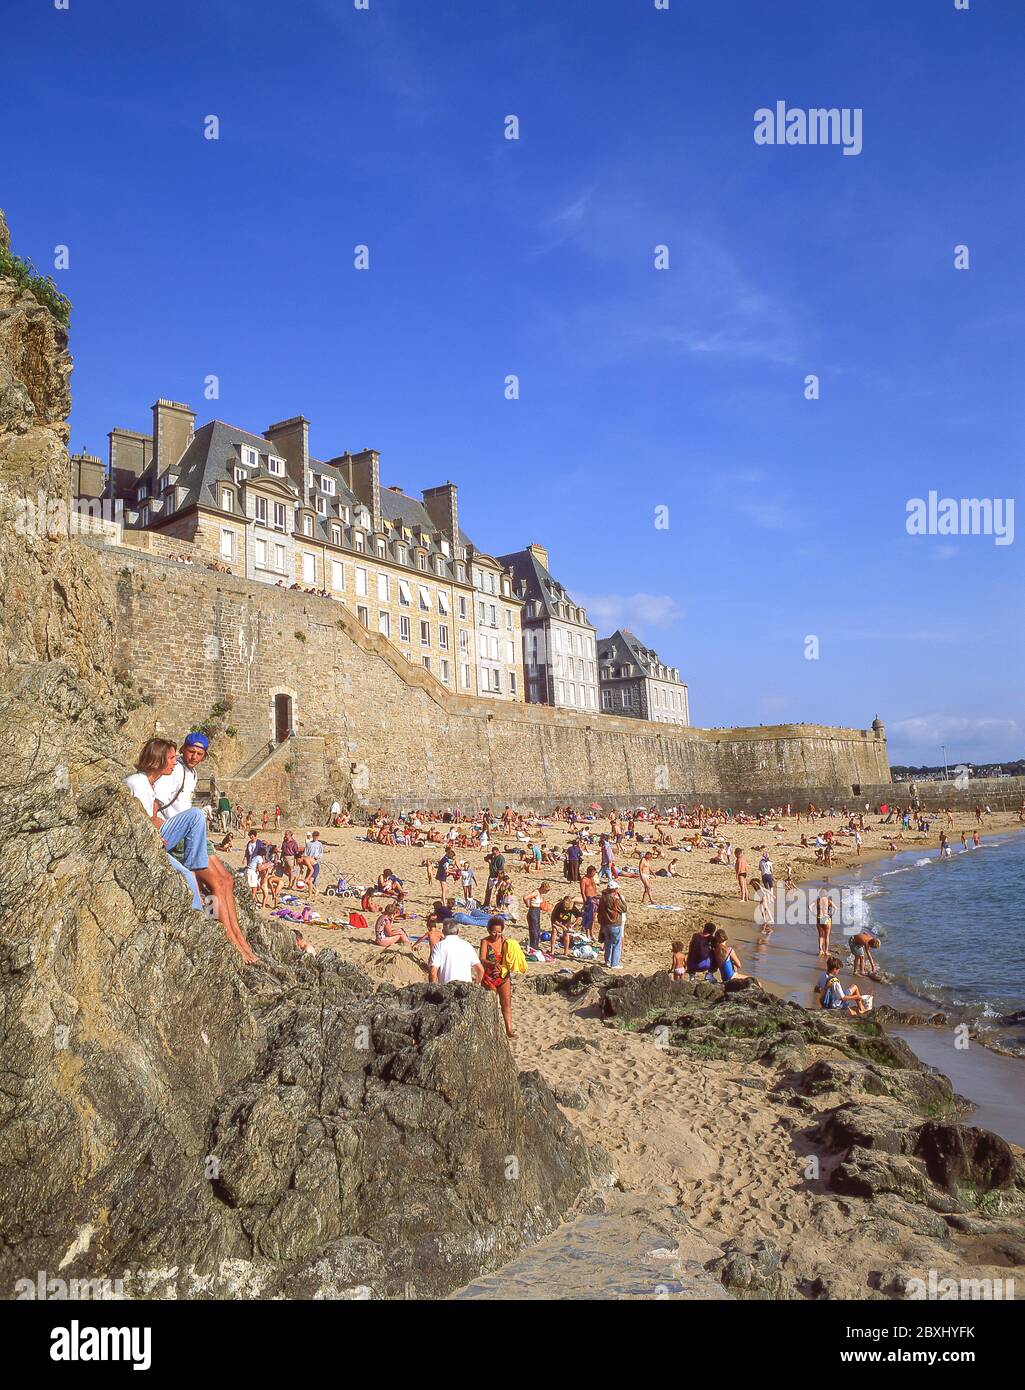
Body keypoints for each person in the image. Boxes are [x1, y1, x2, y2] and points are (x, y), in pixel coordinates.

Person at [124, 738, 257, 964]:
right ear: (183, 751)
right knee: (215, 883)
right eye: (190, 752)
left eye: (199, 753)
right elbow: (155, 802)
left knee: (226, 881)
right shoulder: (172, 773)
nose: (193, 757)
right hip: (181, 837)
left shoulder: (190, 774)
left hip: (193, 835)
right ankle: (229, 939)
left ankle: (239, 937)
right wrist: (157, 822)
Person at [479, 916, 524, 1038]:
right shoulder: (485, 942)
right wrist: (493, 964)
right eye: (494, 932)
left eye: (499, 932)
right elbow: (482, 959)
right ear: (489, 930)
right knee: (491, 1004)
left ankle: (509, 1029)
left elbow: (510, 958)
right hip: (489, 977)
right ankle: (492, 1030)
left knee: (506, 1003)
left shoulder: (506, 942)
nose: (496, 934)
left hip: (503, 976)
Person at [429, 920, 484, 984]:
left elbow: (433, 972)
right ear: (458, 931)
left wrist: (431, 989)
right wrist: (476, 984)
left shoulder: (439, 946)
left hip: (446, 988)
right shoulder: (467, 945)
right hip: (465, 988)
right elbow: (480, 970)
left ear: (443, 932)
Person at [597, 884, 627, 969]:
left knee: (608, 943)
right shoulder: (615, 900)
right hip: (615, 924)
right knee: (616, 944)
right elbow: (624, 908)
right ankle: (614, 964)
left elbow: (599, 910)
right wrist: (621, 898)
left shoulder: (603, 899)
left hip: (605, 924)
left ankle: (608, 961)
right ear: (615, 890)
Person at [523, 880, 550, 952]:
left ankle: (536, 946)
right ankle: (533, 947)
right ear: (543, 888)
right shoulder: (536, 892)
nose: (546, 892)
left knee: (537, 930)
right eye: (546, 891)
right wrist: (528, 905)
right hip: (533, 911)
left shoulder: (540, 893)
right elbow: (525, 897)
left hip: (537, 910)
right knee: (534, 930)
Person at [815, 887, 834, 957]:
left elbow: (810, 907)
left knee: (820, 935)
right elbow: (836, 908)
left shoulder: (817, 900)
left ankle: (820, 950)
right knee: (827, 936)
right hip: (826, 918)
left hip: (819, 918)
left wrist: (815, 914)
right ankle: (826, 951)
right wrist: (831, 915)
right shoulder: (828, 901)